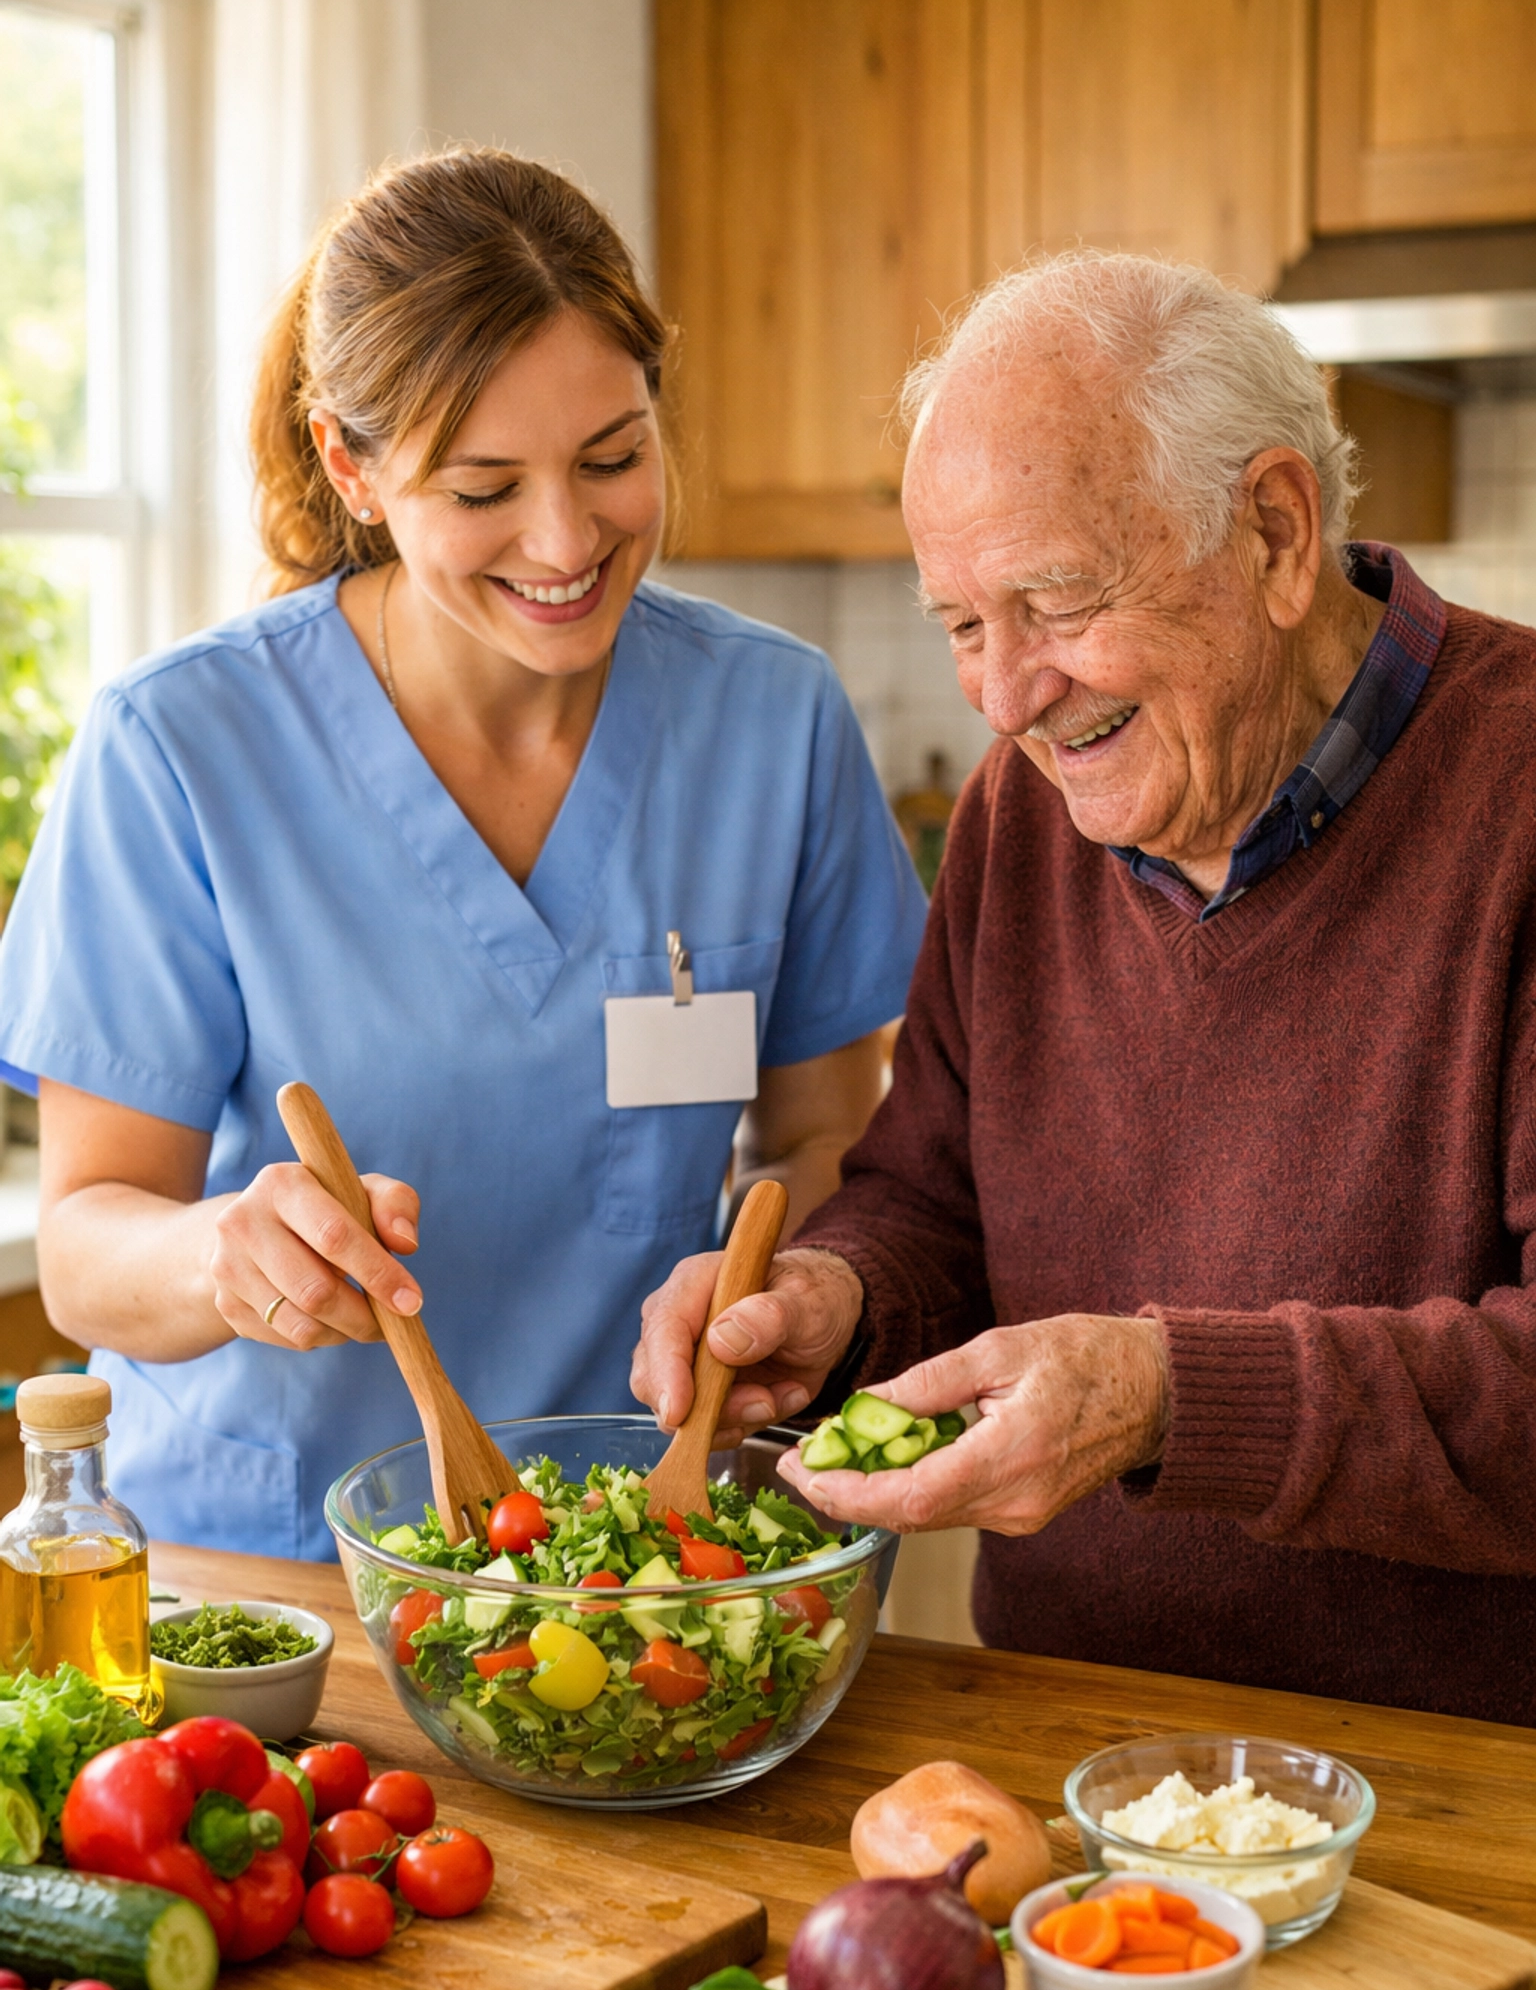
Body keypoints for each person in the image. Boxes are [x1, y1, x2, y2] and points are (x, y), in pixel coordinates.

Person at [633, 248, 1536, 1726]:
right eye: (960, 624)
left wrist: (1169, 1400)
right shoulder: (1015, 813)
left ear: (1274, 532)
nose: (1005, 696)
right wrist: (835, 1301)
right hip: (1057, 1732)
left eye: (1055, 602)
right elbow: (932, 1199)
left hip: (1467, 1783)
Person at [0, 148, 925, 1557]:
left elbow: (827, 1130)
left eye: (613, 458)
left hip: (637, 1560)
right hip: (270, 1583)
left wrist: (786, 1286)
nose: (567, 540)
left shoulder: (772, 719)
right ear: (350, 467)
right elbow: (79, 1249)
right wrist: (219, 1254)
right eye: (483, 488)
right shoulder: (179, 746)